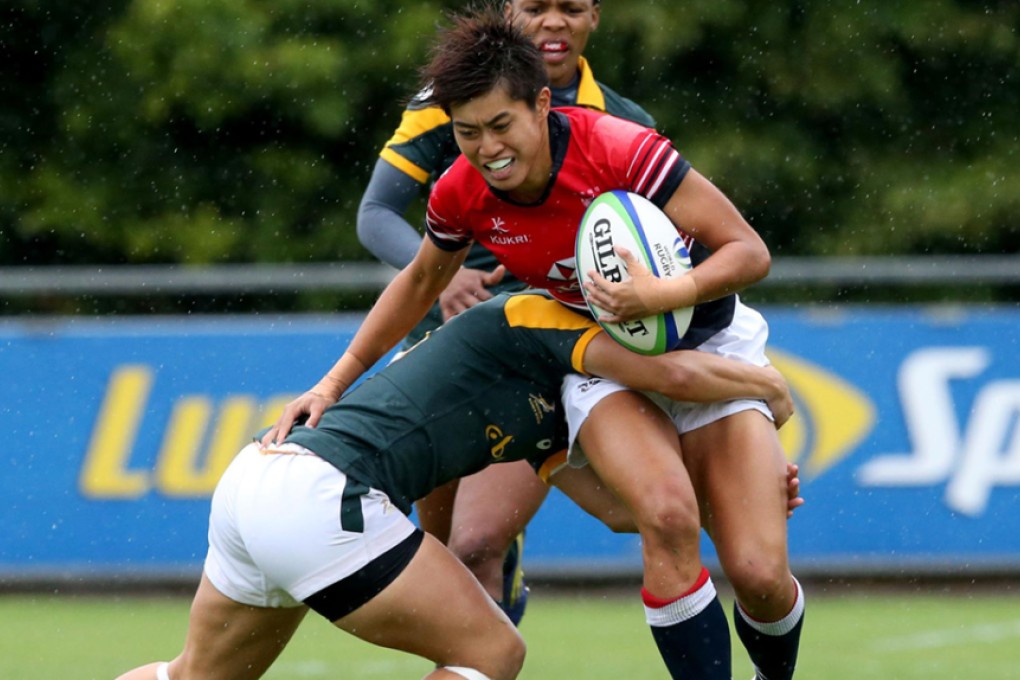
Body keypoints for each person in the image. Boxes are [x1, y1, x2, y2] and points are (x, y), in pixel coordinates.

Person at [274, 7, 806, 679]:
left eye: (501, 126)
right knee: (663, 517)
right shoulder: (462, 191)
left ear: (541, 104)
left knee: (759, 573)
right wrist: (332, 383)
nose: (487, 148)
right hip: (596, 357)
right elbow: (416, 285)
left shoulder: (620, 146)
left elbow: (749, 251)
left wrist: (658, 296)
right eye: (467, 133)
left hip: (709, 339)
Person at [116, 291, 796, 680]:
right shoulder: (531, 319)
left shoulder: (563, 406)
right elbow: (673, 378)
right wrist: (767, 386)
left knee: (193, 677)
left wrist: (731, 504)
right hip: (323, 496)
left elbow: (622, 512)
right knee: (493, 650)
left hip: (261, 481)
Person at [355, 0, 655, 624]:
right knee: (434, 553)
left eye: (569, 7)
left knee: (477, 544)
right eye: (534, 6)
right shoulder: (446, 103)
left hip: (550, 355)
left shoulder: (624, 124)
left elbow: (670, 257)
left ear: (594, 17)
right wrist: (441, 277)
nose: (552, 22)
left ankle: (492, 616)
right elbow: (376, 213)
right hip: (444, 352)